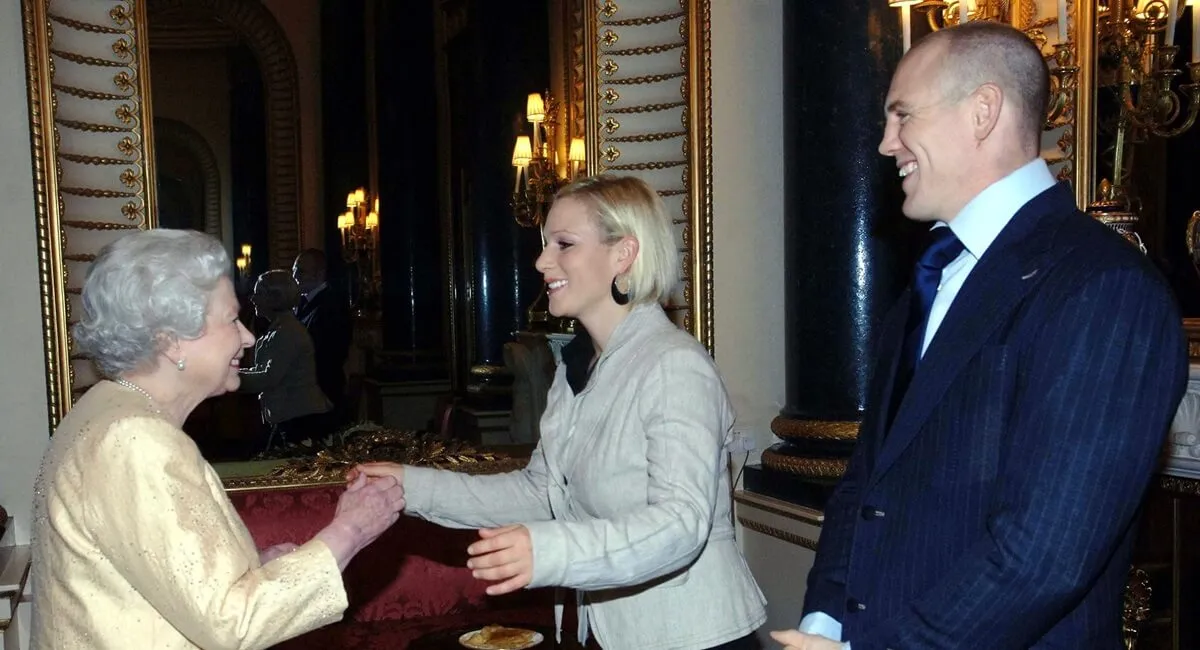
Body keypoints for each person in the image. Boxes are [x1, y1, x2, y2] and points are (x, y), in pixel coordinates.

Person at [770, 22, 1188, 650]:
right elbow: (866, 485)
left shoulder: (1104, 287)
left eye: (901, 115)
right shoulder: (930, 279)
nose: (887, 144)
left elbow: (1045, 553)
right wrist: (826, 620)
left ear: (982, 111)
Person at [353, 175, 767, 649]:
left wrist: (548, 550)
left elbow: (681, 522)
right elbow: (540, 492)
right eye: (545, 244)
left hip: (693, 635)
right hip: (611, 633)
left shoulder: (673, 365)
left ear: (623, 254)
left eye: (563, 244)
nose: (542, 261)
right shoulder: (579, 367)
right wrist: (413, 486)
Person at [31, 229, 406, 650]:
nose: (247, 336)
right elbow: (233, 624)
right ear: (171, 338)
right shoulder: (135, 439)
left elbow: (152, 578)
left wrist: (257, 567)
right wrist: (351, 530)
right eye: (231, 319)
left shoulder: (105, 409)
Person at [240, 269, 332, 451]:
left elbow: (268, 378)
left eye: (258, 293)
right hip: (289, 417)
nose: (252, 299)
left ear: (274, 298)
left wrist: (228, 378)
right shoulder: (279, 329)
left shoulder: (287, 332)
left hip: (300, 421)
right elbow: (263, 370)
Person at [292, 249, 353, 423]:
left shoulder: (332, 305)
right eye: (294, 270)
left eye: (301, 271)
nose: (295, 276)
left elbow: (329, 352)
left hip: (323, 390)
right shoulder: (302, 304)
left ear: (319, 273)